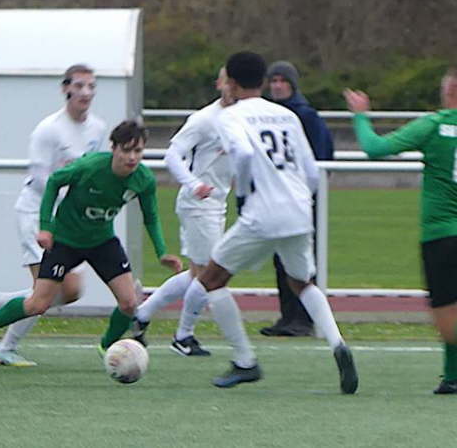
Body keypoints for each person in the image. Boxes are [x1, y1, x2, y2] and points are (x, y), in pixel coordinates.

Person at [177, 51, 358, 393]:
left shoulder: (230, 117)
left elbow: (243, 155)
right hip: (299, 209)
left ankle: (245, 361)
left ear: (230, 81)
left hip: (263, 211)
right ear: (263, 81)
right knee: (302, 282)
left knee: (212, 279)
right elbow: (311, 169)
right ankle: (338, 344)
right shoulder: (286, 115)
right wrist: (303, 199)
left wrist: (244, 191)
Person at [0, 120, 182, 365]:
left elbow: (151, 217)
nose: (132, 157)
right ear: (113, 148)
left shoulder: (143, 179)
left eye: (138, 151)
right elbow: (53, 182)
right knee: (38, 304)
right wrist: (46, 227)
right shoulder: (90, 167)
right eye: (126, 150)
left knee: (129, 302)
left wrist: (162, 252)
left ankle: (107, 348)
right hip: (65, 240)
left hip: (102, 241)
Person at [344, 67, 457, 394]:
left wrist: (361, 117)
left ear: (448, 91)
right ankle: (452, 377)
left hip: (441, 234)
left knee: (447, 315)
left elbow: (375, 148)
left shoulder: (433, 125)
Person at [0, 64, 108, 367]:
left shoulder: (97, 128)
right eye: (79, 86)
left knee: (71, 290)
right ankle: (5, 346)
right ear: (65, 89)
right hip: (37, 214)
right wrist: (53, 217)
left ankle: (5, 304)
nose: (85, 92)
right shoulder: (48, 130)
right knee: (46, 288)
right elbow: (41, 179)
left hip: (68, 219)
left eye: (91, 86)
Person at [132, 67, 253, 362]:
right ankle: (183, 336)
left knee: (197, 274)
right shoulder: (204, 119)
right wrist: (194, 184)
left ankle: (141, 315)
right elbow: (172, 154)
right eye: (227, 81)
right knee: (213, 273)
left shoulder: (243, 117)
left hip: (217, 203)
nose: (232, 87)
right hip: (198, 205)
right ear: (220, 84)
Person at [261, 61, 335, 337]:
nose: (277, 86)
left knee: (302, 260)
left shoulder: (307, 116)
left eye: (282, 81)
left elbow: (323, 156)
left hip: (302, 199)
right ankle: (287, 315)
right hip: (276, 199)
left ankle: (304, 319)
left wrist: (309, 192)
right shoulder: (268, 115)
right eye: (274, 81)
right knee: (280, 258)